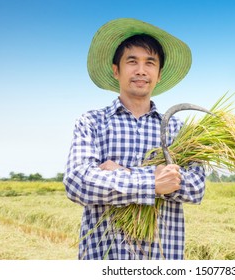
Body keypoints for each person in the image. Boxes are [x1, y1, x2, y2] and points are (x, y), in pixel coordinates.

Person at [63, 18, 206, 260]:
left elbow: (196, 187)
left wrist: (123, 172)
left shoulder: (178, 130)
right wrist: (152, 183)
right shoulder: (92, 123)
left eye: (150, 63)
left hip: (162, 257)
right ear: (116, 70)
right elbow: (78, 182)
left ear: (159, 74)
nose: (141, 70)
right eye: (132, 61)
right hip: (105, 257)